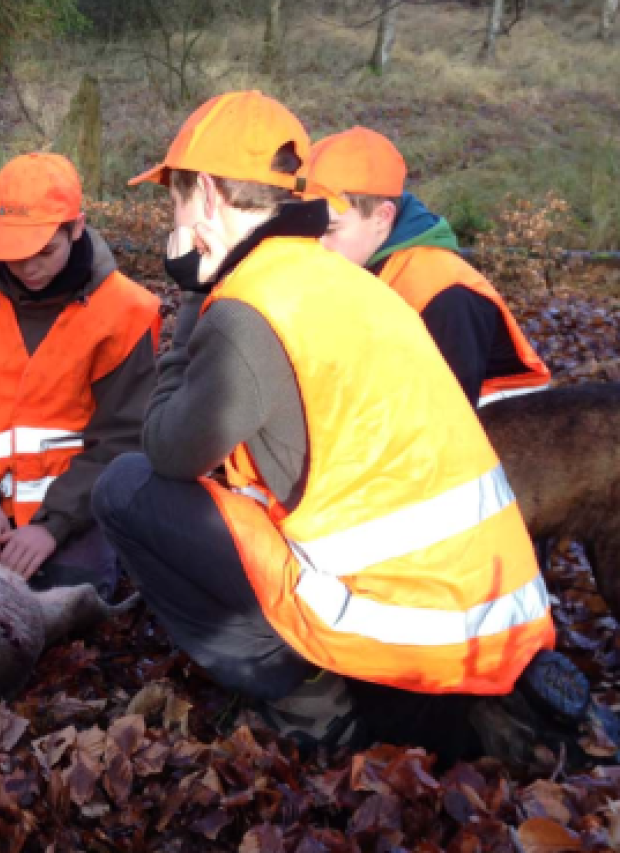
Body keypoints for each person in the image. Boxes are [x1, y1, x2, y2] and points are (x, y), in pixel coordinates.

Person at [90, 90, 589, 766]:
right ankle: (473, 708)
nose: (171, 217)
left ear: (206, 197)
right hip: (498, 616)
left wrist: (189, 296)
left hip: (407, 625)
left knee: (127, 488)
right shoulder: (347, 280)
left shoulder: (249, 307)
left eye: (173, 199)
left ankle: (319, 712)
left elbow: (167, 448)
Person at [0, 153, 160, 596]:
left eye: (44, 251)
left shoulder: (127, 312)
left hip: (78, 506)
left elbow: (125, 439)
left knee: (69, 596)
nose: (28, 267)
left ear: (77, 228)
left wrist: (52, 525)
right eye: (13, 252)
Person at [308, 126, 550, 407]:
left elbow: (451, 419)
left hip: (505, 431)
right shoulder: (356, 263)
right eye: (309, 229)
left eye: (330, 229)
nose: (316, 244)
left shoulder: (445, 294)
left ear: (382, 217)